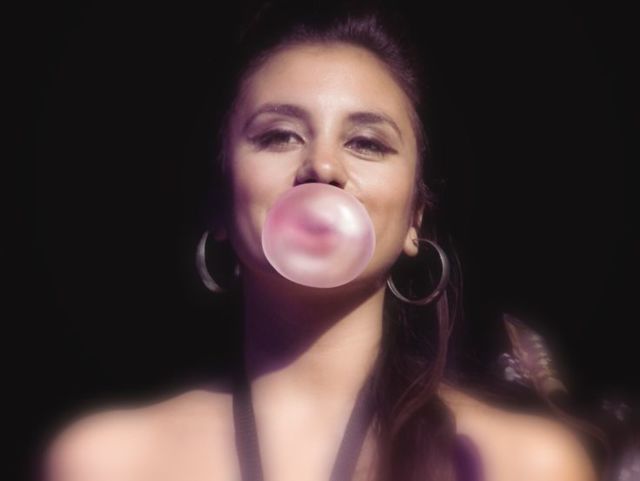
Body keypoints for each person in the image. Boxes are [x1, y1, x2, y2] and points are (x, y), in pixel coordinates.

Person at [41, 1, 627, 480]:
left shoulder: (523, 465)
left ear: (416, 217)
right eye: (278, 135)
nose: (322, 166)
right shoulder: (106, 462)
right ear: (220, 200)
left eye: (367, 142)